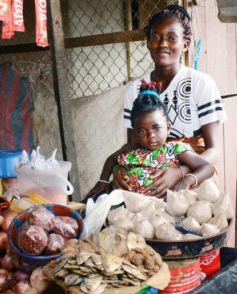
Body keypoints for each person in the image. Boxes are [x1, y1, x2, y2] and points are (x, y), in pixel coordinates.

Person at [84, 4, 227, 199]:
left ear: (185, 44)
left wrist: (180, 172)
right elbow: (133, 145)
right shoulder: (135, 89)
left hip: (194, 172)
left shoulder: (201, 84)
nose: (163, 44)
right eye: (156, 37)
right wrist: (119, 170)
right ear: (148, 42)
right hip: (149, 174)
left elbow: (214, 151)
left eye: (171, 38)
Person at [115, 80, 214, 194]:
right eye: (142, 130)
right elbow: (111, 161)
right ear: (136, 133)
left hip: (167, 203)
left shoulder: (174, 149)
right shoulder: (131, 150)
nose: (151, 135)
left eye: (156, 128)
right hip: (132, 201)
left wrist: (186, 181)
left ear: (168, 127)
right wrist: (109, 175)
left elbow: (207, 167)